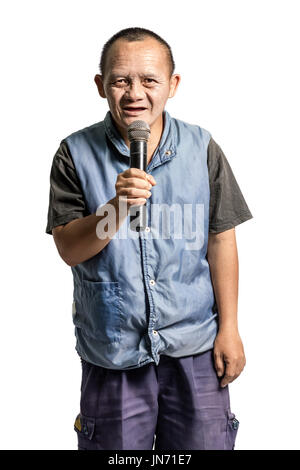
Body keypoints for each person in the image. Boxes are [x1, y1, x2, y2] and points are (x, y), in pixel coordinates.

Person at [45, 27, 253, 450]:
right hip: (113, 349)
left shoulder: (203, 148)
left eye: (149, 80)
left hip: (194, 345)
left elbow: (221, 240)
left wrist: (229, 327)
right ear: (102, 85)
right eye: (121, 80)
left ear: (172, 85)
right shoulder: (74, 153)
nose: (134, 92)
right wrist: (116, 209)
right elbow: (69, 248)